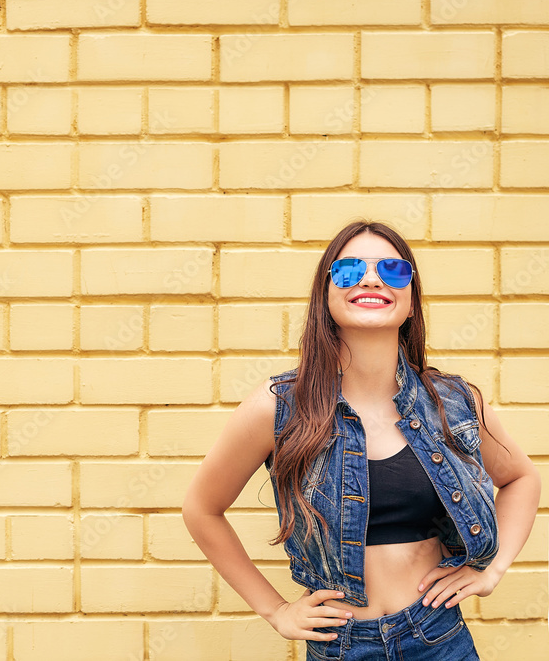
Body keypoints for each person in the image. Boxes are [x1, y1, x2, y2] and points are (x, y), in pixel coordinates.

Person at [182, 220, 542, 660]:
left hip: (438, 639)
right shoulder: (280, 407)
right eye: (349, 270)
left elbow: (521, 479)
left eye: (392, 270)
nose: (371, 279)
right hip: (342, 647)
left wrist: (493, 568)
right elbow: (201, 509)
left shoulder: (452, 401)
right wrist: (276, 610)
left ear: (411, 303)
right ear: (326, 296)